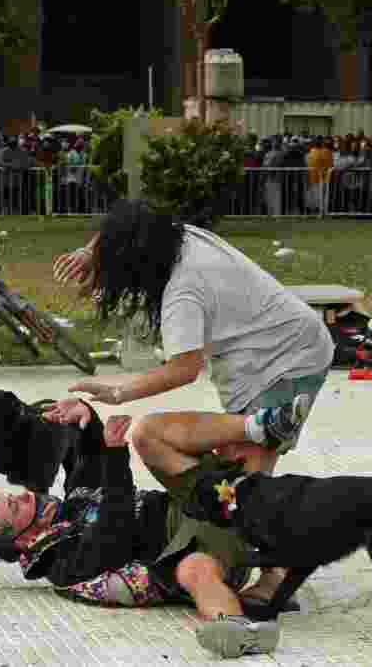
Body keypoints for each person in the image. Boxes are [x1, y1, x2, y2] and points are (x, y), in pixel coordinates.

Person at [49, 199, 333, 611]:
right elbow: (132, 222)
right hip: (267, 352)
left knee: (246, 478)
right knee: (235, 480)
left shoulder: (182, 291)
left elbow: (184, 369)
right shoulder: (178, 236)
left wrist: (118, 393)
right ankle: (226, 509)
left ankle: (275, 575)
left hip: (288, 358)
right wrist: (92, 250)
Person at [0, 396, 308, 658]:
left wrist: (84, 416)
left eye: (17, 496)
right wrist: (117, 457)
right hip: (193, 544)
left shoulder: (70, 505)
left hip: (193, 501)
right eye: (16, 507)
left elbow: (91, 458)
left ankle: (261, 429)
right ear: (23, 539)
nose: (27, 497)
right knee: (195, 570)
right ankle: (239, 631)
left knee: (148, 434)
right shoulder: (63, 565)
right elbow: (112, 535)